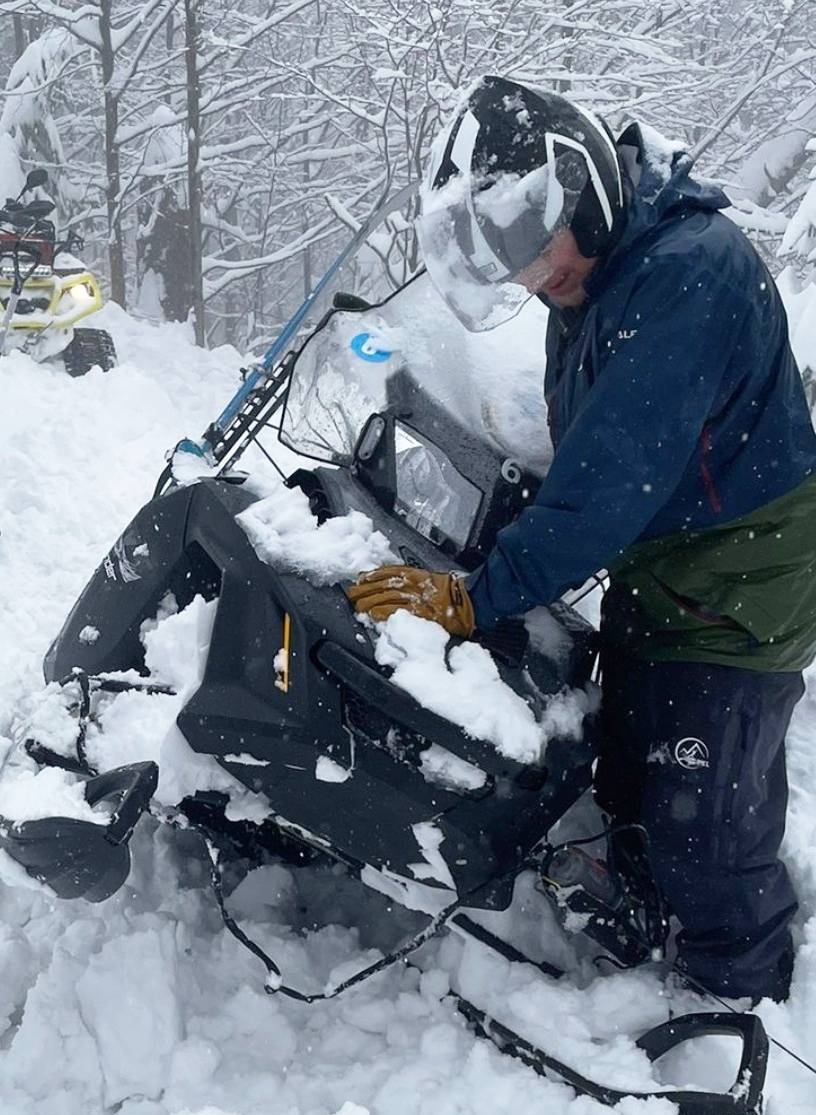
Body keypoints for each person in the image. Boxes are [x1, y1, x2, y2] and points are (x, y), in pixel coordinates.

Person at [348, 75, 816, 1002]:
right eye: (511, 261)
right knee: (633, 765)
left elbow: (605, 488)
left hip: (746, 581)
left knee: (705, 821)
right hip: (671, 552)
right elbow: (588, 444)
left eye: (534, 246)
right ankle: (647, 904)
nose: (534, 276)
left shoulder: (685, 272)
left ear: (588, 188)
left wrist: (474, 595)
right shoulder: (600, 271)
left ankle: (738, 985)